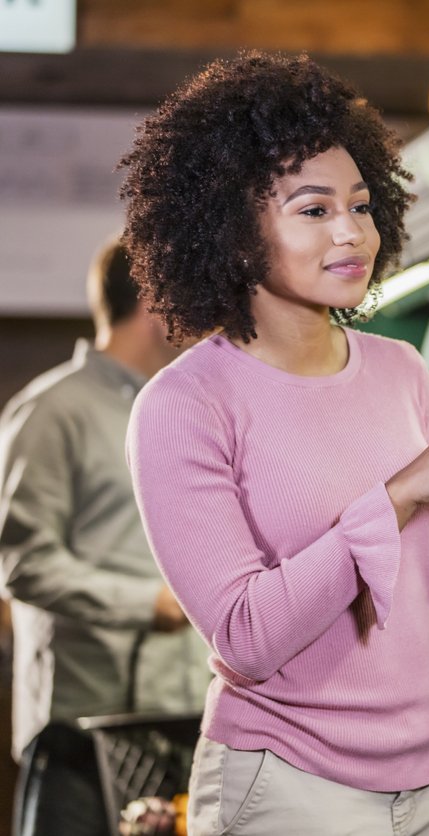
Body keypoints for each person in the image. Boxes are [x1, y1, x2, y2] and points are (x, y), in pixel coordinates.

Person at [119, 52, 429, 835]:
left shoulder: (401, 369)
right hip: (285, 786)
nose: (353, 233)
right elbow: (246, 639)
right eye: (314, 211)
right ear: (233, 228)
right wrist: (397, 493)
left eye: (362, 204)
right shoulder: (182, 407)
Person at [0, 239, 210, 836]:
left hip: (186, 723)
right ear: (152, 300)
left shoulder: (187, 411)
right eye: (192, 295)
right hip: (79, 738)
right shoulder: (50, 411)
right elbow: (22, 564)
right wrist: (149, 604)